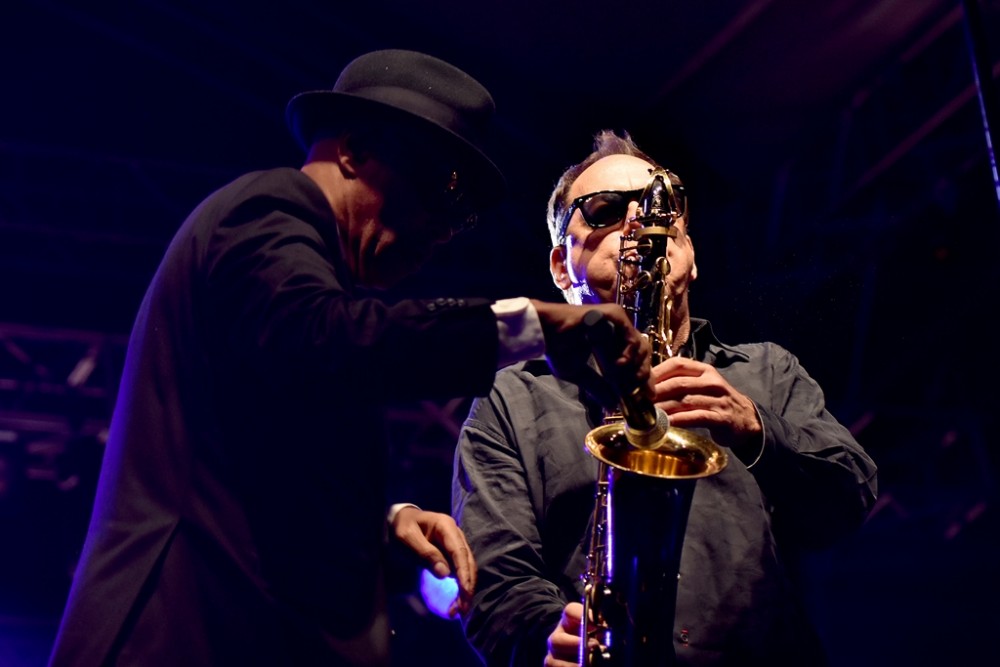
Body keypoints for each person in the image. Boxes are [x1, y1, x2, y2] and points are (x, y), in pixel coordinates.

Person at [46, 52, 652, 667]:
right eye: (438, 188)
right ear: (355, 150)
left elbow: (256, 463)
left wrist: (382, 525)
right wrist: (532, 323)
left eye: (462, 211)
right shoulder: (266, 208)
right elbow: (319, 339)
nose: (446, 229)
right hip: (175, 636)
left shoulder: (309, 282)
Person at [451, 130, 879, 666]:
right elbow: (493, 578)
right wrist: (549, 636)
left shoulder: (767, 371)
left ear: (690, 255)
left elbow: (849, 502)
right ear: (561, 266)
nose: (639, 222)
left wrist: (757, 428)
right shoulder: (508, 399)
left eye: (661, 211)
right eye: (605, 210)